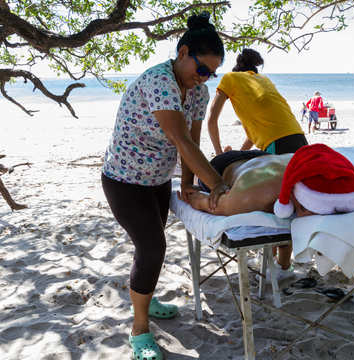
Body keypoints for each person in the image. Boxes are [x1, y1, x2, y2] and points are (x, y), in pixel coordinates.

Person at [101, 12, 230, 360]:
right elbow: (179, 138)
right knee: (153, 247)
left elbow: (195, 139)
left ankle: (145, 296)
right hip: (124, 181)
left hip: (158, 180)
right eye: (201, 69)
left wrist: (188, 184)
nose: (204, 78)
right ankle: (139, 330)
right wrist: (216, 183)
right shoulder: (159, 81)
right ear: (183, 52)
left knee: (148, 248)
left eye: (212, 74)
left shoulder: (198, 92)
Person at [180, 144, 354, 283]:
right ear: (298, 200)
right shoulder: (249, 196)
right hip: (225, 166)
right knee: (273, 210)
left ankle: (281, 265)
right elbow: (201, 202)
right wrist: (192, 192)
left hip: (269, 158)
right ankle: (278, 262)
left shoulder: (333, 189)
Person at [207, 48, 308, 156]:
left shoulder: (230, 77)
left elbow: (212, 119)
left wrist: (218, 152)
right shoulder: (264, 79)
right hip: (300, 138)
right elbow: (253, 135)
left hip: (277, 141)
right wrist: (239, 155)